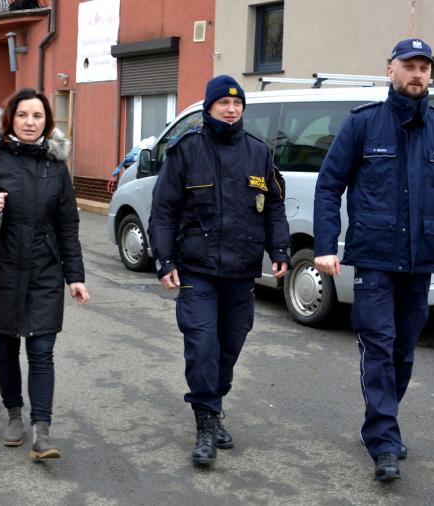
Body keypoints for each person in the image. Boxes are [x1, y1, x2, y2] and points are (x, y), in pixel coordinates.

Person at [313, 38, 434, 482]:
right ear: (390, 69)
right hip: (374, 259)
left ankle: (381, 422)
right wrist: (326, 244)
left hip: (421, 259)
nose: (418, 74)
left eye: (425, 67)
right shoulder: (363, 125)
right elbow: (330, 184)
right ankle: (384, 437)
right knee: (380, 345)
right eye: (409, 65)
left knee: (404, 351)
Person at [148, 75, 291, 467]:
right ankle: (206, 423)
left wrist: (279, 249)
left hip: (242, 271)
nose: (231, 109)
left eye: (237, 104)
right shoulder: (187, 150)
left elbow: (275, 205)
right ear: (209, 107)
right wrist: (165, 260)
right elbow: (163, 210)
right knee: (203, 345)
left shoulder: (258, 153)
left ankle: (212, 404)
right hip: (198, 269)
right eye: (223, 103)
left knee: (231, 343)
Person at [0, 88, 89, 461]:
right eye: (23, 115)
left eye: (38, 116)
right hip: (0, 270)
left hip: (44, 271)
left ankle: (42, 430)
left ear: (47, 122)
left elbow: (67, 225)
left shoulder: (56, 167)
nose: (30, 122)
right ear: (10, 119)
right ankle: (14, 416)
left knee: (42, 351)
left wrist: (75, 276)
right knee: (7, 347)